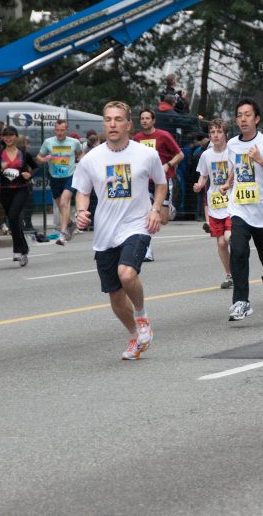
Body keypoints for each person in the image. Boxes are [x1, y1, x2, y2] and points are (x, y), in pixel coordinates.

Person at [72, 101, 167, 360]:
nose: (112, 124)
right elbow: (82, 191)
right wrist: (81, 212)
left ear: (128, 124)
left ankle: (141, 315)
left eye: (118, 119)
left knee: (126, 275)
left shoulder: (145, 154)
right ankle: (136, 335)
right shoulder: (91, 158)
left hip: (137, 225)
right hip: (105, 233)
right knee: (115, 297)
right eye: (108, 119)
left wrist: (155, 209)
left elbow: (161, 183)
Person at [220, 98, 263, 322]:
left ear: (256, 119)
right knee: (238, 251)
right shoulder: (232, 145)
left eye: (248, 114)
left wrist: (259, 159)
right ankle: (241, 302)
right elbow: (235, 168)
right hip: (240, 208)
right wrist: (229, 182)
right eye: (239, 115)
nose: (243, 119)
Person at [133, 109, 183, 261]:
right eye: (142, 118)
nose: (145, 121)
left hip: (162, 181)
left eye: (147, 118)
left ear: (153, 120)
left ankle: (169, 207)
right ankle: (147, 251)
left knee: (163, 219)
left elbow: (180, 154)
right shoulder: (137, 138)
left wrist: (168, 164)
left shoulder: (164, 136)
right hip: (144, 182)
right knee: (146, 214)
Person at [0, 126, 38, 266]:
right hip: (5, 190)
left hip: (21, 189)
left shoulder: (23, 154)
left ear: (16, 137)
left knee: (14, 216)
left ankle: (18, 250)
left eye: (11, 135)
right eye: (6, 136)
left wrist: (30, 174)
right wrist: (0, 169)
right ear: (3, 138)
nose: (8, 138)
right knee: (13, 220)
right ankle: (24, 249)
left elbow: (36, 167)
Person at [194, 119, 234, 289]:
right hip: (215, 203)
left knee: (229, 237)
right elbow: (204, 175)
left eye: (219, 132)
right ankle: (229, 274)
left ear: (225, 134)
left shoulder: (232, 151)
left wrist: (228, 184)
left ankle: (239, 266)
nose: (215, 135)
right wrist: (200, 184)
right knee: (221, 243)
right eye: (212, 132)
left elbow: (238, 170)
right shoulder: (206, 155)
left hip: (233, 201)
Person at [37, 119, 83, 245]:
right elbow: (38, 157)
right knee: (61, 206)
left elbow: (81, 153)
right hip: (55, 177)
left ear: (66, 130)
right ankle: (71, 224)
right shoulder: (48, 142)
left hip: (70, 176)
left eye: (62, 130)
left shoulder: (74, 142)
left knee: (64, 202)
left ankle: (63, 234)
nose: (59, 133)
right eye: (57, 130)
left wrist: (80, 162)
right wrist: (44, 159)